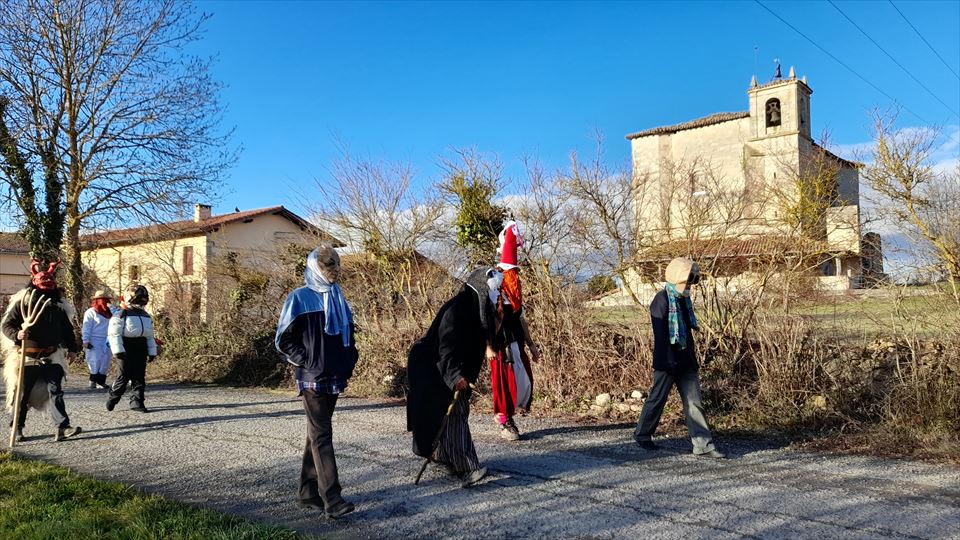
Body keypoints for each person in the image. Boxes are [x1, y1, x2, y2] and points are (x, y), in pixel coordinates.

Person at [276, 245, 358, 519]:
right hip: (312, 379)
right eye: (328, 266)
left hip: (335, 376)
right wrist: (307, 360)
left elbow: (350, 334)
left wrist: (350, 359)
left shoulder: (338, 297)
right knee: (322, 435)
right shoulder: (299, 298)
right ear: (315, 268)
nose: (334, 271)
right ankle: (332, 499)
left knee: (317, 433)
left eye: (336, 265)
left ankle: (307, 491)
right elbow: (283, 339)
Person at [407, 267, 503, 487]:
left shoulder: (476, 309)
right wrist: (455, 377)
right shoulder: (457, 310)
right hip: (433, 367)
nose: (494, 295)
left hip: (448, 366)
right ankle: (467, 468)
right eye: (491, 291)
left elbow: (485, 337)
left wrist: (498, 316)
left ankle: (443, 457)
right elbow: (445, 348)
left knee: (447, 415)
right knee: (455, 413)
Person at [633, 257, 725, 458]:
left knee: (694, 402)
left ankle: (703, 445)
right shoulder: (661, 300)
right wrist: (669, 362)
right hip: (667, 362)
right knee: (657, 399)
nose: (689, 286)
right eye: (686, 281)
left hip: (685, 361)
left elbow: (687, 334)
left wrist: (691, 359)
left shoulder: (684, 301)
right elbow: (662, 335)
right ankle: (642, 434)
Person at [1, 260, 82, 442]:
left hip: (52, 356)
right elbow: (7, 325)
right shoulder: (23, 304)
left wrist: (72, 349)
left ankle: (62, 427)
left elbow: (67, 330)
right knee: (22, 394)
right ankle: (18, 427)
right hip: (27, 357)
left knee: (55, 391)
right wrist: (17, 334)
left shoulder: (58, 308)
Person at [491, 219, 540, 441]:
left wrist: (531, 345)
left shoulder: (515, 290)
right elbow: (486, 318)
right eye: (511, 274)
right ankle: (503, 419)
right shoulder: (494, 284)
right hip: (499, 343)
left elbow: (521, 317)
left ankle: (508, 415)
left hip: (515, 341)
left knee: (522, 382)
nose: (514, 277)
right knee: (504, 384)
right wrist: (487, 346)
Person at [106, 285, 158, 413]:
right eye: (138, 299)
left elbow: (150, 335)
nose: (141, 302)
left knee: (139, 376)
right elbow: (114, 334)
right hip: (125, 346)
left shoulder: (146, 316)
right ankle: (114, 396)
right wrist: (118, 351)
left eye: (143, 300)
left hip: (141, 346)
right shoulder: (121, 314)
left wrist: (152, 352)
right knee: (123, 376)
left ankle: (137, 401)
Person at [82, 289, 114, 390]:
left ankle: (101, 381)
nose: (103, 302)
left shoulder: (111, 313)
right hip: (94, 340)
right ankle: (93, 381)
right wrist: (86, 341)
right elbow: (86, 327)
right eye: (101, 300)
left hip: (108, 340)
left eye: (105, 300)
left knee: (106, 360)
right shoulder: (90, 312)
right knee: (94, 361)